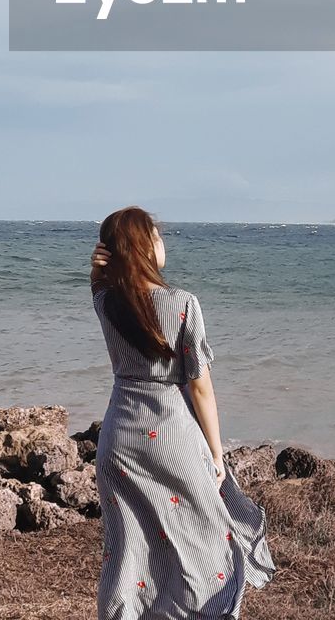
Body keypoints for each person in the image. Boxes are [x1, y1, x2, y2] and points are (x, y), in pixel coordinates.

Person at [89, 205, 276, 619]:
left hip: (118, 439)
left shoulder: (108, 306)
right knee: (204, 536)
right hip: (171, 436)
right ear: (145, 247)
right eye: (157, 236)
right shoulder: (183, 304)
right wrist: (216, 453)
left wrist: (98, 270)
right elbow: (201, 388)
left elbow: (98, 287)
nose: (163, 243)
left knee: (126, 549)